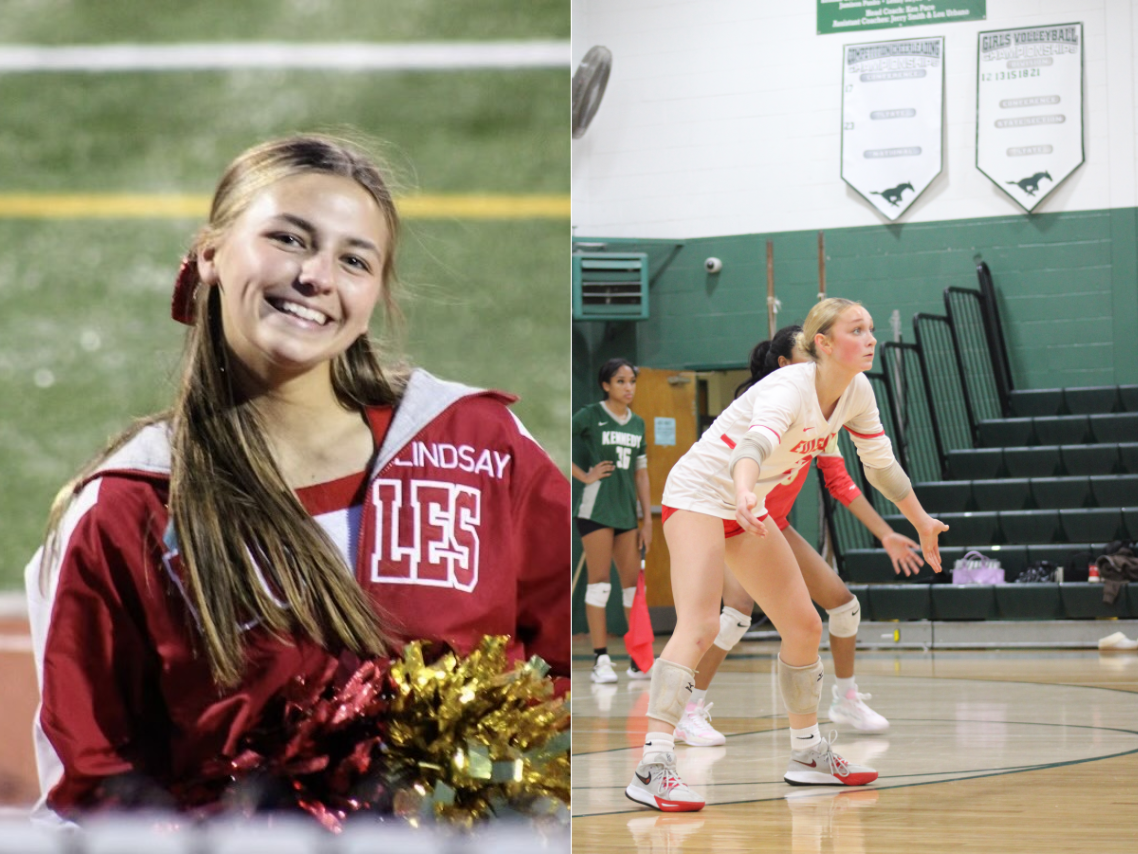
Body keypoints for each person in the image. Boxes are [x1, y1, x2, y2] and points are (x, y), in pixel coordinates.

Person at [24, 134, 570, 819]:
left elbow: (568, 670)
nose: (317, 277)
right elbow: (92, 787)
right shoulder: (130, 505)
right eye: (289, 239)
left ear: (375, 293)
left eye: (354, 260)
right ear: (211, 253)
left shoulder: (477, 445)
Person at [624, 298, 947, 812]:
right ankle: (653, 764)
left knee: (804, 626)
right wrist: (748, 491)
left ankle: (808, 754)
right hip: (703, 494)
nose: (870, 339)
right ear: (823, 343)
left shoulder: (857, 391)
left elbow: (880, 467)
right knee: (701, 623)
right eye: (857, 330)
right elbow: (752, 446)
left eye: (870, 329)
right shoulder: (788, 387)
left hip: (750, 506)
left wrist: (920, 518)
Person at [674, 325, 924, 748]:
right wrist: (743, 495)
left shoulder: (825, 409)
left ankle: (843, 701)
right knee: (733, 614)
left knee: (843, 607)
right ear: (787, 366)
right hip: (726, 511)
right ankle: (688, 710)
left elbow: (842, 480)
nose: (821, 365)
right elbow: (747, 453)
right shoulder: (771, 404)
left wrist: (886, 532)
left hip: (774, 522)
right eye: (811, 356)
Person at [571, 358, 654, 683]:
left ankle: (637, 659)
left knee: (632, 588)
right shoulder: (590, 415)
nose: (628, 387)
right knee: (600, 583)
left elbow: (642, 474)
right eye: (621, 381)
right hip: (596, 510)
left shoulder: (638, 424)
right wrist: (584, 475)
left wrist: (646, 519)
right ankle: (600, 660)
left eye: (631, 381)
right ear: (606, 385)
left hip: (626, 515)